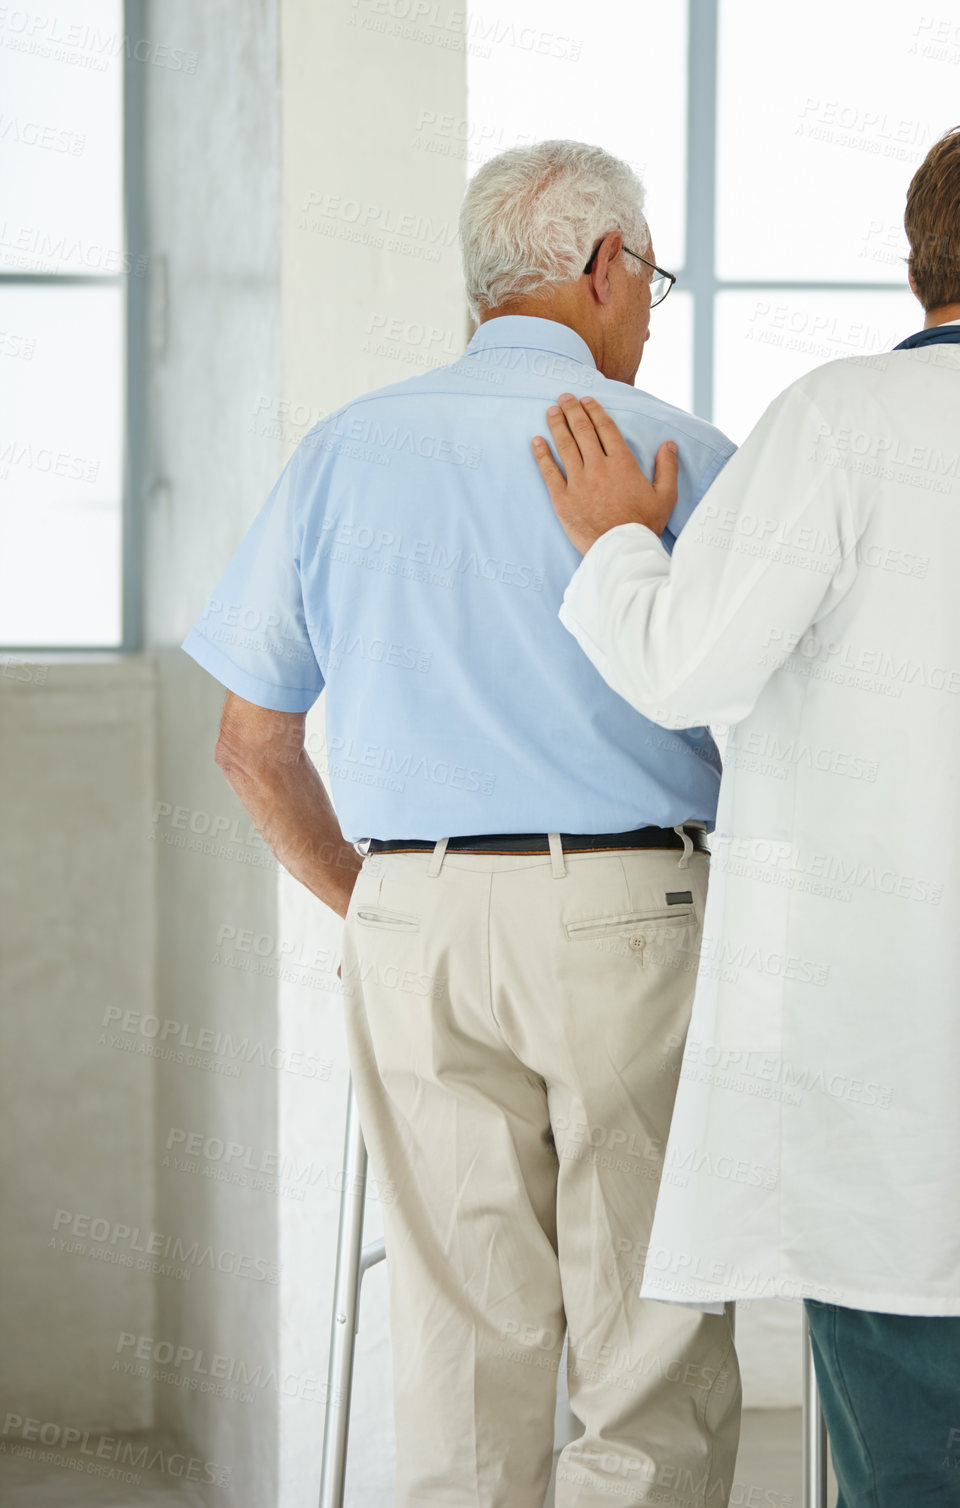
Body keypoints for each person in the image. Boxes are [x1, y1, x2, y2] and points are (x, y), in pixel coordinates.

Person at [531, 118, 960, 1506]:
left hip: (872, 1043)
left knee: (911, 1448)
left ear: (919, 261)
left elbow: (683, 664)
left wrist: (619, 538)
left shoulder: (840, 419)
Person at [182, 139, 742, 1505]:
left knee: (458, 1328)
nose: (649, 308)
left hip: (413, 917)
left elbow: (251, 746)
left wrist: (374, 903)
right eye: (651, 277)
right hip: (632, 917)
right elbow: (780, 732)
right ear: (602, 267)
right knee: (647, 1326)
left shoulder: (342, 452)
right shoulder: (683, 454)